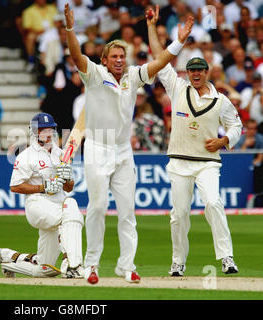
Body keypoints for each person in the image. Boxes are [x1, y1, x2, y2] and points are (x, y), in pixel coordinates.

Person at [64, 3, 194, 284]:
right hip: (98, 146)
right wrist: (71, 28)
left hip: (123, 149)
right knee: (97, 207)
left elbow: (159, 64)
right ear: (105, 59)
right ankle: (92, 265)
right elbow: (76, 55)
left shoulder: (134, 75)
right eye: (115, 56)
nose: (120, 59)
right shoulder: (95, 75)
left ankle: (127, 265)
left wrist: (179, 42)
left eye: (122, 55)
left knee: (127, 210)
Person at [147, 8, 243, 277]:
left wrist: (224, 140)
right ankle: (178, 262)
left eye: (200, 70)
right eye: (192, 70)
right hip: (178, 162)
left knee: (213, 203)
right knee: (179, 215)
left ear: (207, 71)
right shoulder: (177, 88)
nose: (196, 74)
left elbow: (237, 126)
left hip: (207, 163)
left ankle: (227, 258)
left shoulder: (220, 100)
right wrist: (152, 26)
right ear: (187, 73)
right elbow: (159, 57)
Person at [0, 112, 84, 279]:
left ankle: (8, 259)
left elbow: (68, 187)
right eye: (42, 130)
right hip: (38, 205)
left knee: (43, 270)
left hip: (58, 204)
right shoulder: (26, 156)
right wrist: (42, 187)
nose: (47, 133)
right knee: (71, 209)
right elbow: (14, 186)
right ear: (35, 132)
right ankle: (73, 265)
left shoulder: (60, 154)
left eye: (49, 129)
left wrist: (67, 178)